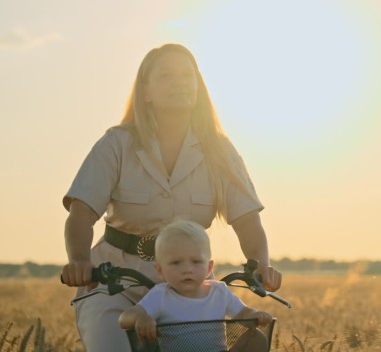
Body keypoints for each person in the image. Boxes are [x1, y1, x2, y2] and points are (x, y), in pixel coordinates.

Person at [60, 43, 282, 352]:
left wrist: (260, 266)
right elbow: (81, 212)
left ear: (197, 87)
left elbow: (248, 221)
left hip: (189, 288)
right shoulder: (116, 144)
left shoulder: (219, 151)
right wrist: (80, 261)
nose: (179, 82)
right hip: (114, 281)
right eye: (166, 75)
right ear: (146, 91)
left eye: (186, 76)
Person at [119, 220, 272, 352]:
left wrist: (254, 315)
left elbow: (243, 313)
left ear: (209, 268)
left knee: (257, 338)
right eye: (176, 263)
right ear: (160, 270)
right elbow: (124, 318)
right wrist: (141, 318)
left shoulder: (219, 291)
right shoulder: (160, 295)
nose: (187, 269)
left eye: (196, 262)